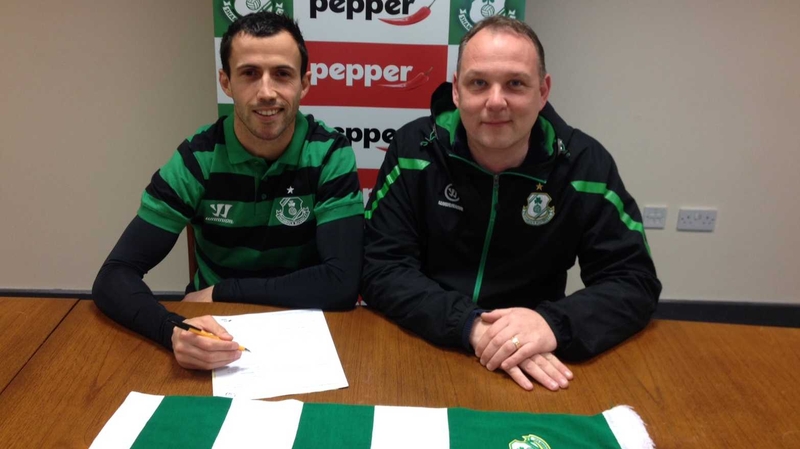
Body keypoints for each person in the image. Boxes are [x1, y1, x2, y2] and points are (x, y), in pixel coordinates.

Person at [361, 16, 661, 391]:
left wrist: (552, 323)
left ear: (543, 91)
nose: (495, 101)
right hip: (426, 342)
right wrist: (470, 325)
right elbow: (381, 266)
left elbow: (634, 281)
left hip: (537, 358)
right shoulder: (412, 150)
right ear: (456, 91)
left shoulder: (586, 165)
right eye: (478, 83)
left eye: (515, 83)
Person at [93, 12, 363, 370]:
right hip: (215, 326)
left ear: (304, 83)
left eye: (282, 74)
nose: (266, 92)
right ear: (226, 82)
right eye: (249, 73)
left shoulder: (329, 153)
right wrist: (172, 330)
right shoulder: (197, 159)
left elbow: (341, 283)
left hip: (305, 327)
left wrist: (222, 290)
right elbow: (114, 275)